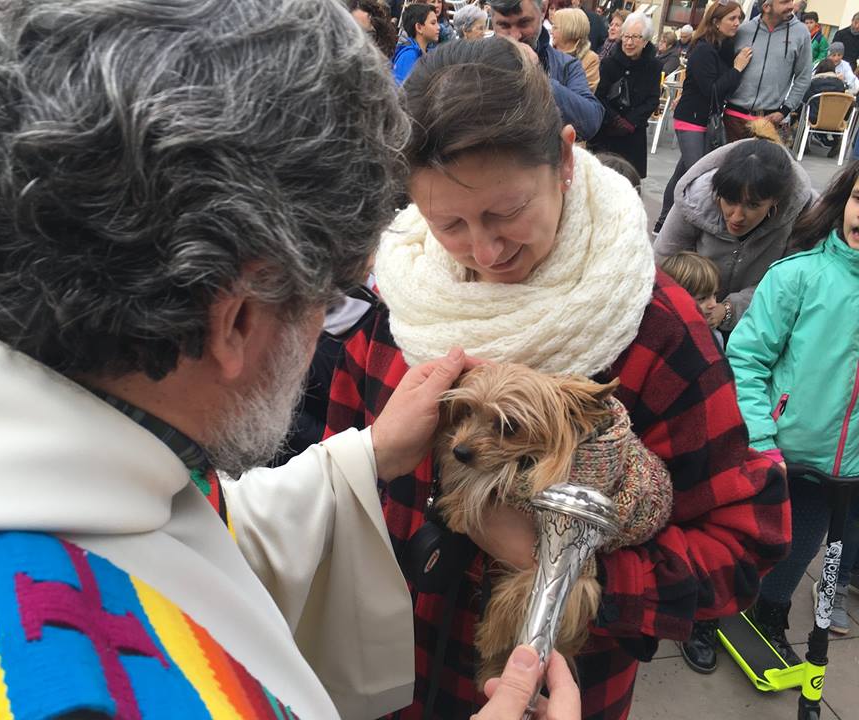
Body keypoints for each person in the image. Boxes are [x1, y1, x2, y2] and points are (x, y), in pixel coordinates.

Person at [0, 2, 574, 719]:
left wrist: (364, 456)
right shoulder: (63, 695)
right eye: (330, 296)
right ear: (238, 319)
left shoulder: (56, 458)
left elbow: (175, 543)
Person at [323, 36, 790, 720]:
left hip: (556, 692)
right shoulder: (399, 304)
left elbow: (746, 541)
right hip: (384, 675)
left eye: (507, 212)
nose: (484, 251)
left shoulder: (654, 328)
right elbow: (339, 479)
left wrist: (572, 571)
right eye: (447, 222)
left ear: (566, 158)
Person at [726, 160, 859, 660]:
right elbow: (746, 358)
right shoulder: (799, 276)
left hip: (844, 468)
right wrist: (761, 437)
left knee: (802, 544)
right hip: (785, 449)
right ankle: (712, 611)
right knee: (750, 538)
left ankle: (770, 612)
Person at [655, 121, 813, 344]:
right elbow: (663, 261)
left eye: (753, 205)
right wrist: (690, 305)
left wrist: (729, 310)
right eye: (729, 201)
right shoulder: (693, 200)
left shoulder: (803, 214)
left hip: (763, 321)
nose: (737, 216)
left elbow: (789, 286)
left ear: (775, 201)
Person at [655, 0, 751, 233]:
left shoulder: (725, 47)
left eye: (739, 18)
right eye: (732, 18)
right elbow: (713, 90)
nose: (737, 23)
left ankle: (662, 222)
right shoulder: (703, 49)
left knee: (683, 172)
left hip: (705, 118)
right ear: (716, 22)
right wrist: (737, 69)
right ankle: (685, 224)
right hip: (691, 118)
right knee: (697, 174)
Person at [488, 0, 605, 140]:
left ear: (543, 11)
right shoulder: (473, 59)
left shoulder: (567, 65)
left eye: (524, 23)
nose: (514, 37)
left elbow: (590, 123)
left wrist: (538, 77)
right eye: (504, 25)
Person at [724, 0, 812, 142]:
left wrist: (785, 111)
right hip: (734, 117)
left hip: (769, 121)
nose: (791, 6)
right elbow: (724, 68)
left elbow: (804, 76)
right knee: (732, 164)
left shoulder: (801, 33)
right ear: (766, 7)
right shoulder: (743, 30)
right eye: (784, 2)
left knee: (764, 165)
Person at [591, 11, 662, 178]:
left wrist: (630, 122)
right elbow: (599, 96)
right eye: (626, 36)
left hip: (633, 134)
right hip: (608, 133)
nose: (629, 42)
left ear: (645, 41)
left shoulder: (653, 66)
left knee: (629, 182)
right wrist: (615, 119)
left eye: (635, 37)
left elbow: (652, 100)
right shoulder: (609, 63)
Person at [660, 252, 724, 348]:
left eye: (714, 295)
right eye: (702, 298)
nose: (714, 304)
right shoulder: (657, 337)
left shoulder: (714, 339)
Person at [551, 7, 600, 90]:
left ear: (569, 29)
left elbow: (581, 97)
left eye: (555, 27)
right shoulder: (548, 52)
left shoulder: (591, 59)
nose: (551, 32)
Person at [394, 3, 439, 84]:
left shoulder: (428, 54)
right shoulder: (408, 56)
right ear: (419, 27)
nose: (438, 27)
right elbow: (402, 92)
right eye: (433, 23)